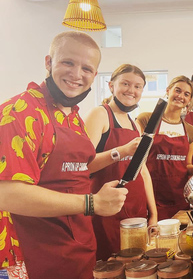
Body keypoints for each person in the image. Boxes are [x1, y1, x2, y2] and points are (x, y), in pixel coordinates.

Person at [0, 31, 127, 279]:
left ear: (95, 76)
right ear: (49, 63)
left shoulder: (73, 116)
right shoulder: (20, 112)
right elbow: (7, 193)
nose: (76, 74)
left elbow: (78, 170)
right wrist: (91, 203)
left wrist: (119, 154)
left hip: (76, 249)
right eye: (68, 62)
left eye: (87, 69)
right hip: (35, 255)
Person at [84, 64, 157, 261]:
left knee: (137, 267)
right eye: (125, 84)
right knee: (111, 265)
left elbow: (143, 172)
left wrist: (154, 213)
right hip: (108, 211)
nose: (131, 91)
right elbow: (84, 165)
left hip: (136, 210)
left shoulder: (133, 123)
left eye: (138, 86)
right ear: (111, 86)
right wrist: (122, 151)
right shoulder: (100, 114)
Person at [137, 76, 193, 219]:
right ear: (168, 91)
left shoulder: (191, 131)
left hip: (179, 200)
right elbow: (138, 161)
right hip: (150, 199)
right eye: (177, 91)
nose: (180, 96)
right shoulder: (146, 120)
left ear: (189, 100)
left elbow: (187, 165)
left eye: (186, 94)